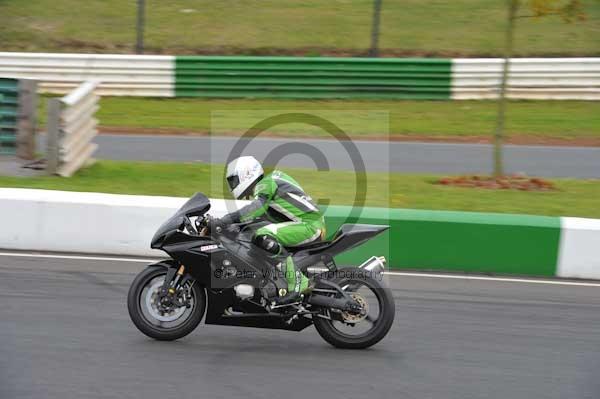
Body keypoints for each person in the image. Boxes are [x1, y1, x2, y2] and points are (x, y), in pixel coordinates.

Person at [214, 156, 325, 305]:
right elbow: (259, 217)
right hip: (304, 224)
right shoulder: (270, 184)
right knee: (254, 234)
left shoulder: (266, 184)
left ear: (246, 174)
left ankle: (298, 283)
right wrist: (234, 226)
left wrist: (225, 220)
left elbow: (256, 209)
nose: (232, 185)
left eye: (234, 181)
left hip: (309, 226)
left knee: (263, 236)